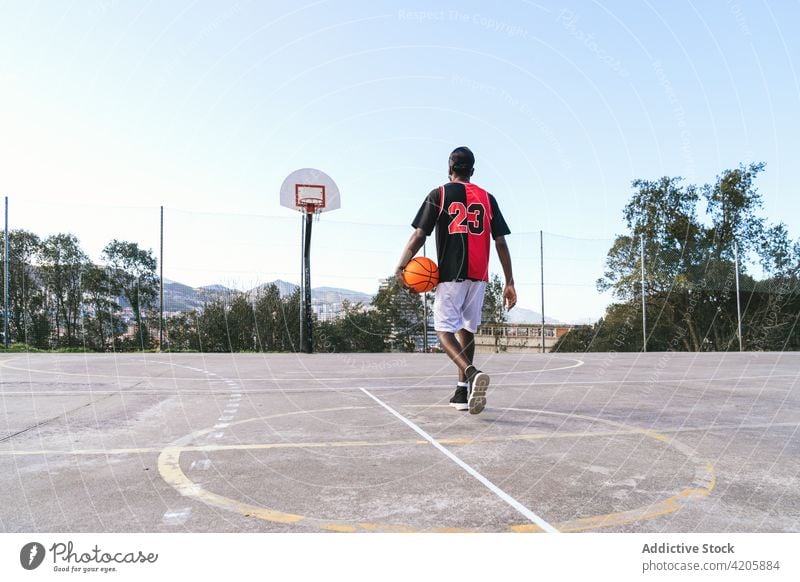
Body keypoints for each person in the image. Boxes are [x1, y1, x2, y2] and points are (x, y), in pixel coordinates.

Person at [395, 146, 516, 414]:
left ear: (449, 169)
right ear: (472, 171)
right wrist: (509, 282)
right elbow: (501, 242)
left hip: (451, 275)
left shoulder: (438, 194)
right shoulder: (488, 198)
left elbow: (419, 236)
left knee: (443, 330)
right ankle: (462, 392)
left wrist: (401, 266)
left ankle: (471, 373)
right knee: (467, 330)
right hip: (480, 276)